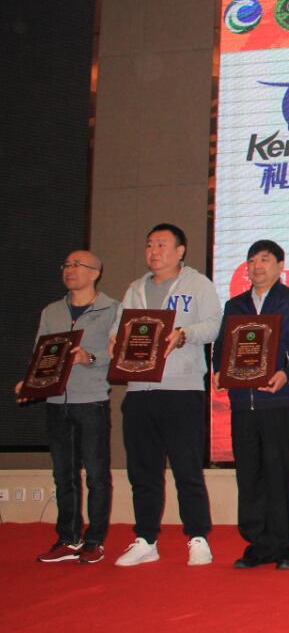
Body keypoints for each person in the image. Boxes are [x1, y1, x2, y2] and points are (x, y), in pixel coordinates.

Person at [109, 224, 221, 567]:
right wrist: (115, 341)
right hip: (139, 391)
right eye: (149, 245)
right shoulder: (135, 289)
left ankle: (198, 537)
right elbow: (119, 328)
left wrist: (185, 333)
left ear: (180, 250)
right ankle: (145, 539)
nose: (153, 251)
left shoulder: (198, 284)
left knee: (187, 468)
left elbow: (214, 325)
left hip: (181, 390)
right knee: (143, 471)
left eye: (161, 244)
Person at [213, 239, 289, 570]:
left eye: (264, 259)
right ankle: (259, 544)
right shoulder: (235, 306)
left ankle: (287, 546)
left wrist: (288, 374)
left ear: (280, 265)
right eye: (251, 261)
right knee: (250, 475)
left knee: (283, 473)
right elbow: (222, 347)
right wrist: (217, 371)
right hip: (243, 404)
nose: (256, 266)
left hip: (281, 400)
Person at [16, 251, 117, 564]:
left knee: (97, 475)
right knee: (63, 474)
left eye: (77, 265)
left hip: (92, 400)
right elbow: (41, 354)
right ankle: (68, 538)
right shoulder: (52, 311)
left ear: (95, 273)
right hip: (56, 402)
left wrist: (91, 358)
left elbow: (120, 354)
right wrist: (29, 384)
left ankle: (95, 540)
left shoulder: (112, 309)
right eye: (67, 265)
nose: (70, 270)